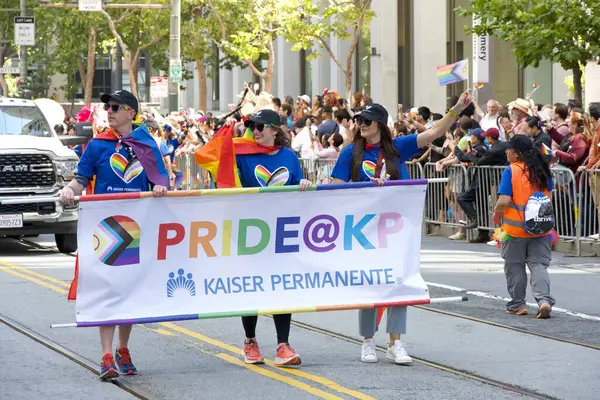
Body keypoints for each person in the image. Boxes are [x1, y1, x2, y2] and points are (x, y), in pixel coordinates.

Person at [330, 92, 473, 364]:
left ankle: (395, 342)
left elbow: (434, 133)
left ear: (381, 125)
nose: (362, 124)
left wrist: (455, 109)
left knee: (399, 282)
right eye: (360, 119)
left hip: (397, 228)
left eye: (368, 121)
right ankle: (368, 341)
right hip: (364, 229)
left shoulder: (398, 147)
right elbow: (336, 187)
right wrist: (365, 188)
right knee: (370, 284)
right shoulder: (351, 151)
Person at [59, 90, 168, 380]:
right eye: (107, 106)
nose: (108, 111)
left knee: (127, 292)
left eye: (115, 107)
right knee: (108, 291)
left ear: (131, 113)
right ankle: (106, 355)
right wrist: (70, 189)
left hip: (136, 228)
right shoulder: (96, 145)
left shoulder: (146, 144)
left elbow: (160, 178)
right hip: (105, 229)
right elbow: (81, 179)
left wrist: (159, 186)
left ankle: (123, 348)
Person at [236, 109, 312, 367]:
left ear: (275, 130)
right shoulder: (241, 154)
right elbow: (222, 176)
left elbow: (298, 182)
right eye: (251, 125)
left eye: (260, 126)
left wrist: (304, 185)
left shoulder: (289, 157)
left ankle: (283, 344)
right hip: (251, 230)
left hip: (282, 230)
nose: (255, 130)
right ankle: (250, 341)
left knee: (282, 285)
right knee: (251, 285)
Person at [493, 135, 555, 318]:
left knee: (515, 266)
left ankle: (518, 305)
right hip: (541, 228)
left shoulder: (511, 170)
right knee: (538, 265)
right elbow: (548, 198)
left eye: (509, 149)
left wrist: (496, 213)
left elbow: (504, 200)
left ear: (517, 153)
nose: (506, 151)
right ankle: (544, 301)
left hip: (514, 230)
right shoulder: (542, 170)